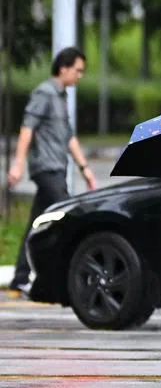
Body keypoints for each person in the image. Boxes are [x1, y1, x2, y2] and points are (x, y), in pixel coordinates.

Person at [7, 48, 98, 294]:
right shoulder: (44, 93)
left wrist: (85, 170)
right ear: (63, 68)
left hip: (57, 168)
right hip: (45, 169)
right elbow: (27, 129)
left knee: (36, 224)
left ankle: (21, 277)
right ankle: (75, 276)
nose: (80, 76)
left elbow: (69, 138)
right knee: (70, 216)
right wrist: (18, 164)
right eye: (78, 70)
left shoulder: (61, 98)